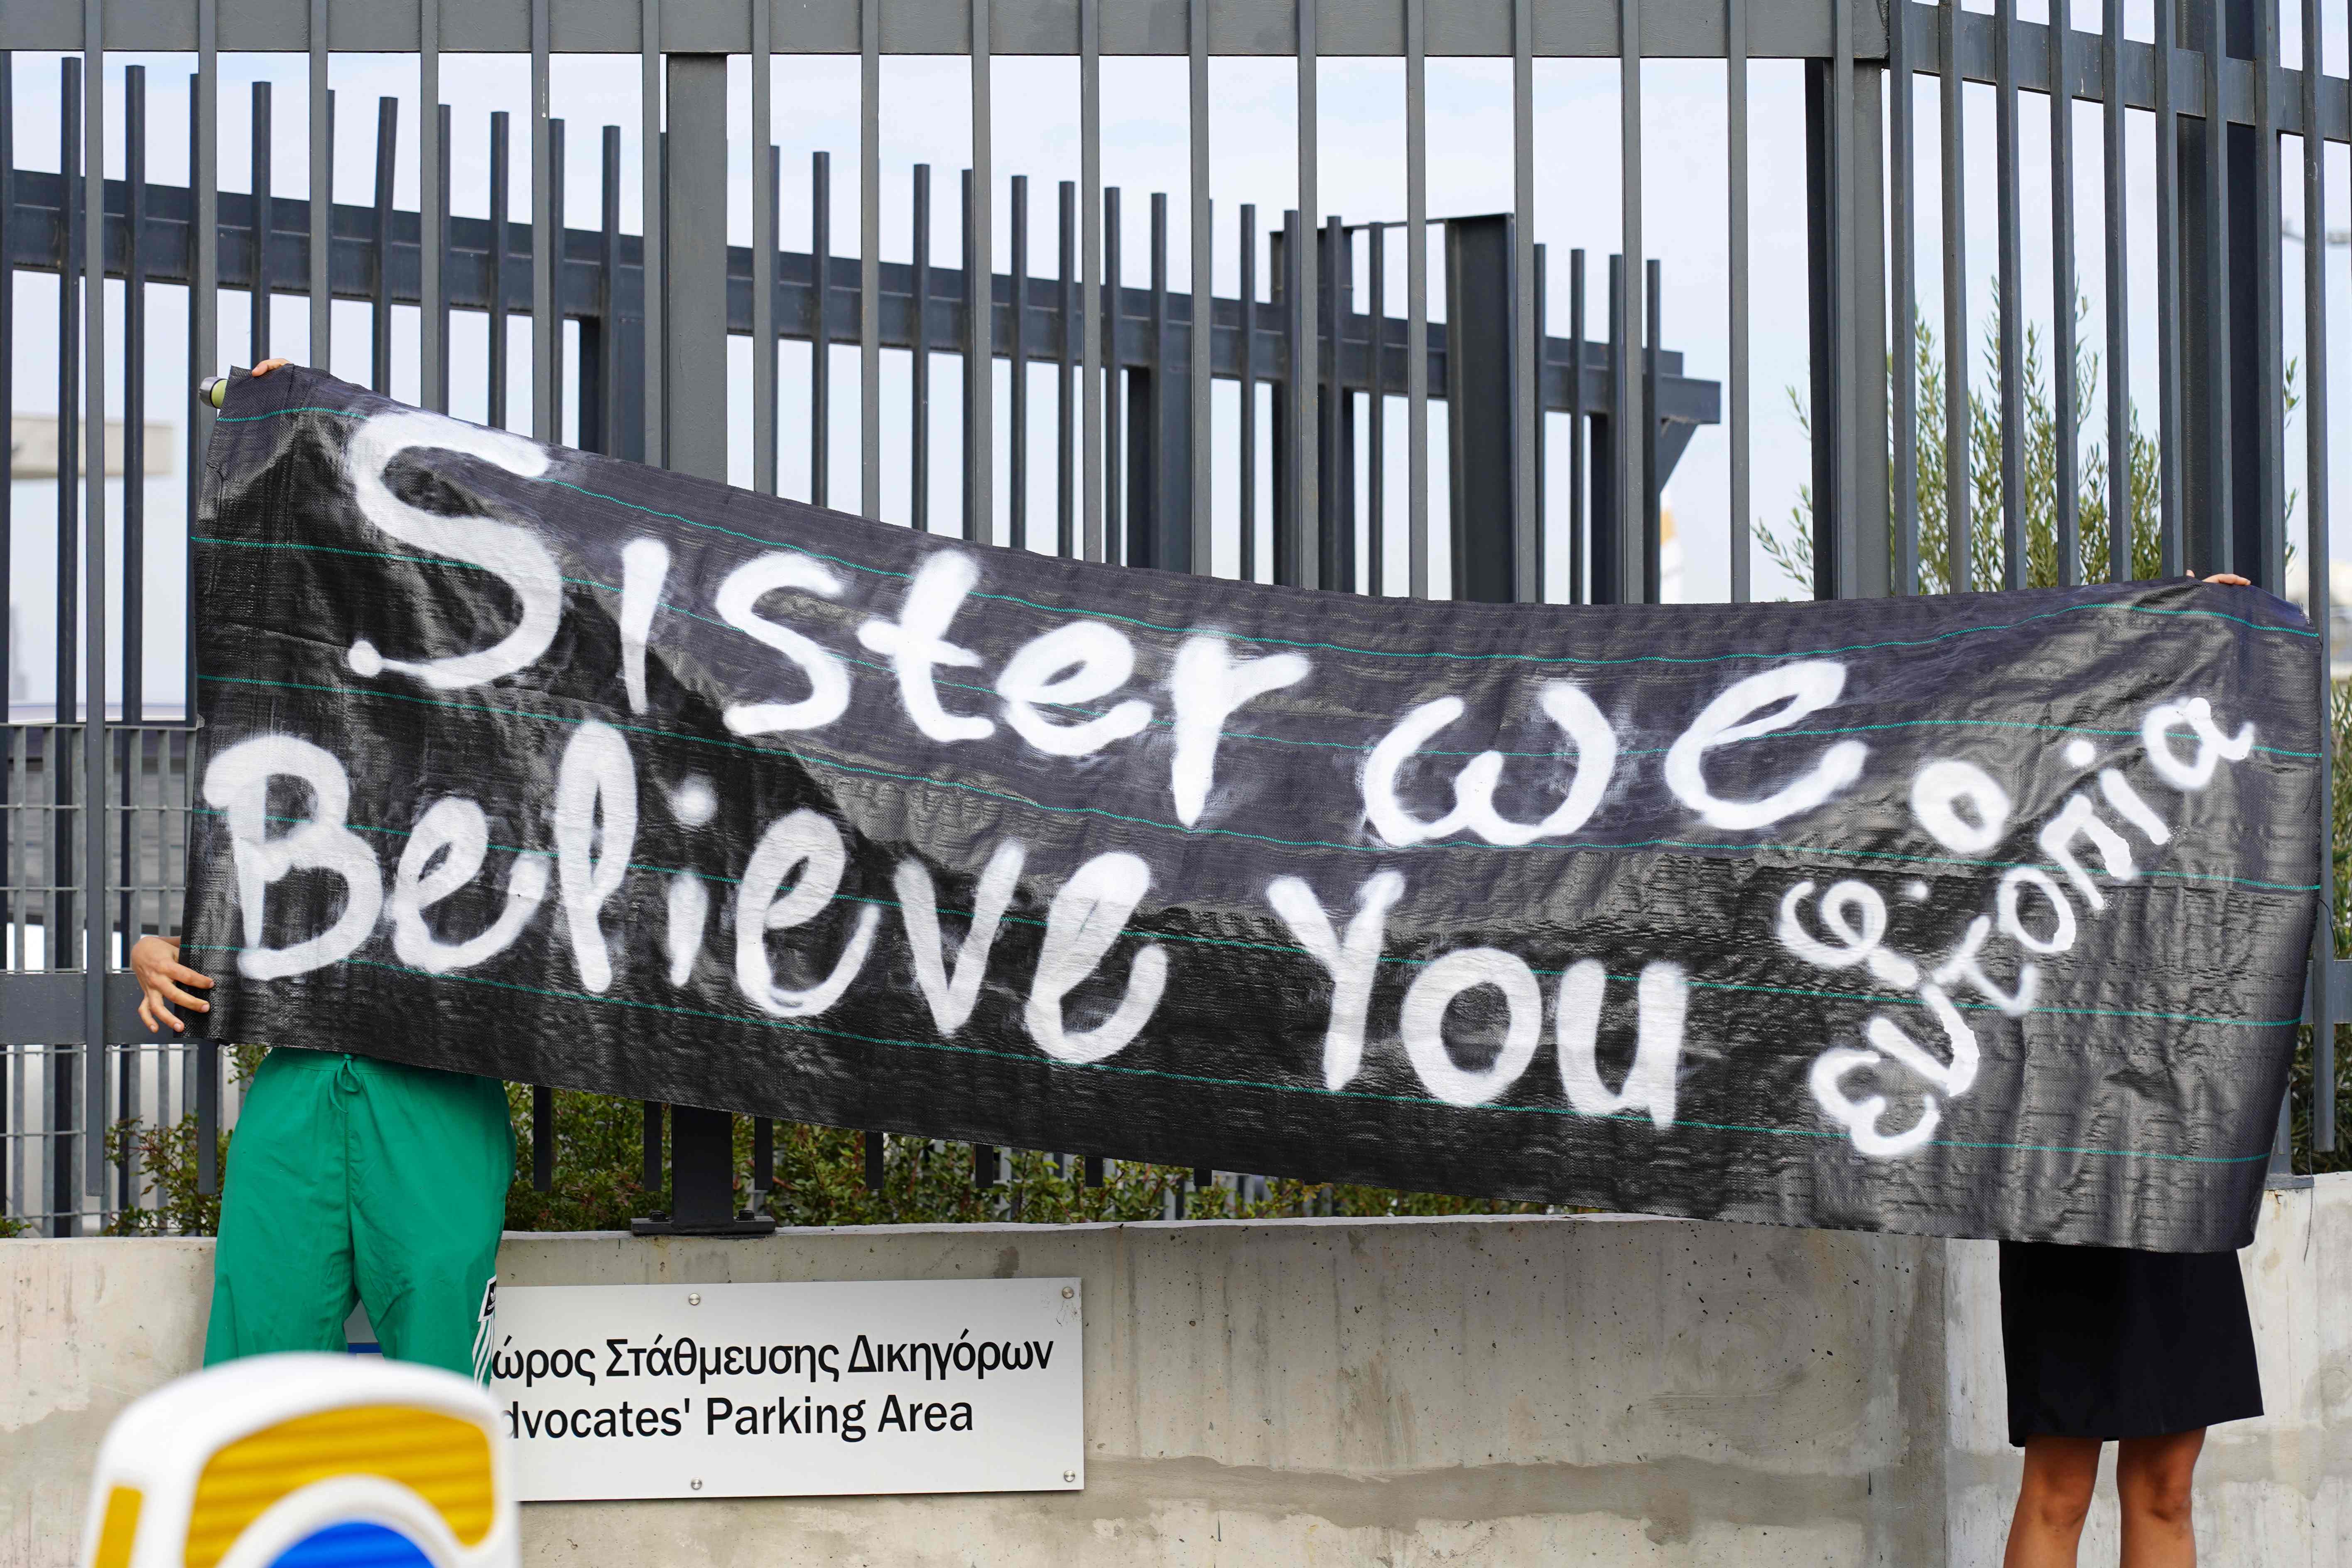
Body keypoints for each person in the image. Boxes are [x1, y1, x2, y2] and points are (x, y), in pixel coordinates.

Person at [130, 356, 513, 1384]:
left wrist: (328, 407)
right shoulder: (283, 727)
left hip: (435, 1094)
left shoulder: (508, 715)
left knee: (435, 1403)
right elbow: (222, 902)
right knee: (259, 1394)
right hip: (299, 1093)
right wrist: (155, 951)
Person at [2000, 567, 2261, 1568]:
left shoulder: (2204, 812)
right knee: (2060, 1482)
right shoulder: (2029, 805)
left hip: (2182, 1152)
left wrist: (2211, 619)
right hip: (2060, 1166)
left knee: (2167, 1482)